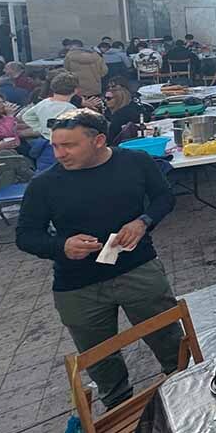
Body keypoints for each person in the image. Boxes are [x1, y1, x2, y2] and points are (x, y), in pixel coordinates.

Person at [15, 109, 180, 409]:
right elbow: (25, 236)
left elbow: (164, 198)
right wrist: (61, 245)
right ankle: (118, 408)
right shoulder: (44, 185)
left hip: (138, 268)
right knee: (100, 358)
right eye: (55, 145)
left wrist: (142, 221)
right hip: (78, 285)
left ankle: (185, 386)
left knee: (168, 338)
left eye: (69, 145)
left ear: (99, 140)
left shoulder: (136, 162)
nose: (60, 154)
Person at [20, 72, 79, 140]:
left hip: (43, 140)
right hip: (61, 142)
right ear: (75, 90)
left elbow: (26, 117)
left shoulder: (44, 102)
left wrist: (41, 129)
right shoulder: (70, 108)